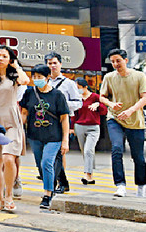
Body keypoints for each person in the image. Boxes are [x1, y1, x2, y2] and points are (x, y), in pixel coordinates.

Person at [96, 48, 146, 197]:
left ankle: (141, 186)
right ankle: (120, 185)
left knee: (138, 156)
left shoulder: (139, 76)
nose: (115, 64)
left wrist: (131, 110)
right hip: (115, 118)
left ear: (126, 60)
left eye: (118, 60)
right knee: (116, 149)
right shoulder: (109, 77)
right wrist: (111, 104)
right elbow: (102, 97)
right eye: (113, 61)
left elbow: (145, 98)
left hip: (135, 121)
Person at [0, 46, 29, 212]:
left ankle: (9, 195)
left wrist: (17, 66)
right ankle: (0, 199)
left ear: (10, 59)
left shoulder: (14, 76)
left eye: (4, 56)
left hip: (11, 122)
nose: (0, 58)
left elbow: (25, 81)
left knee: (9, 158)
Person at [20, 64, 71, 210]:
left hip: (53, 137)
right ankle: (51, 185)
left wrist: (65, 140)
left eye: (39, 77)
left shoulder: (57, 95)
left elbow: (64, 118)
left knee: (47, 162)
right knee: (40, 166)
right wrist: (17, 128)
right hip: (35, 136)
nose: (36, 80)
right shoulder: (29, 93)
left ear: (48, 77)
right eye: (34, 77)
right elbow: (24, 113)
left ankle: (47, 194)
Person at [45, 52, 83, 193]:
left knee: (59, 153)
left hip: (63, 121)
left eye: (55, 63)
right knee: (52, 154)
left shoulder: (69, 84)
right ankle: (62, 182)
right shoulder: (45, 82)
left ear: (60, 64)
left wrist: (61, 104)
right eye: (49, 63)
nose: (52, 66)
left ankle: (58, 182)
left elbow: (78, 103)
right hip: (47, 122)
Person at [73, 77, 106, 185]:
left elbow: (104, 111)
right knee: (85, 151)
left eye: (79, 87)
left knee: (88, 150)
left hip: (93, 127)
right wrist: (72, 127)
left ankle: (88, 175)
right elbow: (74, 114)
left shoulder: (95, 97)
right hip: (79, 127)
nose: (77, 90)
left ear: (85, 87)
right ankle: (90, 173)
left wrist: (98, 104)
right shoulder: (77, 98)